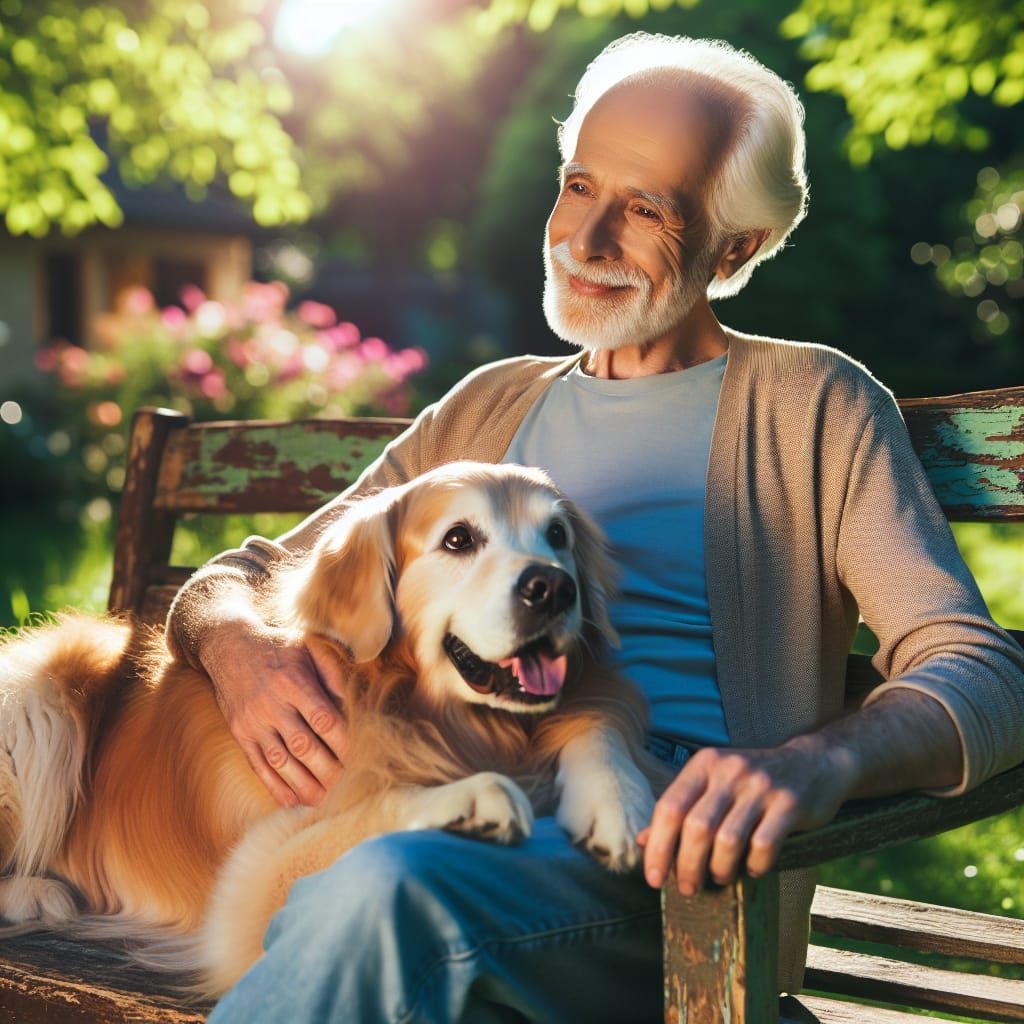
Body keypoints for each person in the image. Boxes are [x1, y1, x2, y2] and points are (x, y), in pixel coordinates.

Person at [167, 32, 1024, 1023]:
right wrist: (232, 640)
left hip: (670, 871)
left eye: (646, 208)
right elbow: (259, 567)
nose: (587, 238)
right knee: (372, 887)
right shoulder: (486, 406)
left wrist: (815, 761)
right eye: (578, 187)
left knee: (382, 889)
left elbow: (980, 667)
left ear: (736, 245)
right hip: (451, 812)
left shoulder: (809, 404)